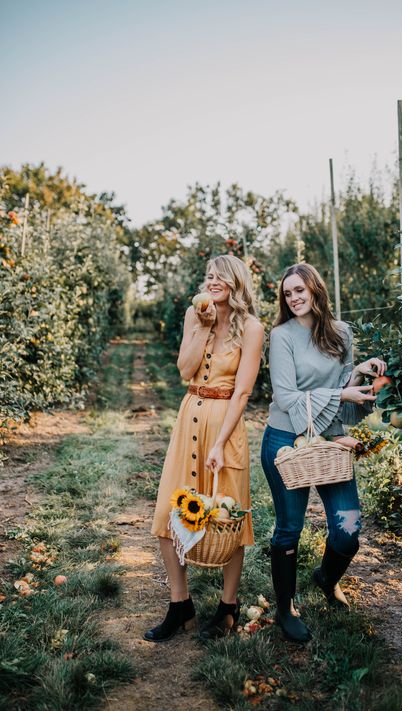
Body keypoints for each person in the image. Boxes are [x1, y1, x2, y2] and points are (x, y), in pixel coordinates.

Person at [260, 263, 386, 643]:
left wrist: (360, 375)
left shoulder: (342, 333)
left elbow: (344, 398)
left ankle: (326, 578)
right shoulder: (281, 336)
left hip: (331, 442)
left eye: (300, 290)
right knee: (289, 528)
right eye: (288, 293)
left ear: (316, 289)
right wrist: (340, 392)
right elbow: (285, 396)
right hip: (286, 440)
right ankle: (286, 609)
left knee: (348, 529)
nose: (295, 298)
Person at [145, 254, 264, 642]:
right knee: (167, 513)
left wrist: (220, 441)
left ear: (235, 282)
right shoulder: (194, 315)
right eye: (208, 276)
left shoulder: (251, 328)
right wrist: (202, 326)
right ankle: (181, 605)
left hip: (225, 423)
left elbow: (243, 391)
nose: (212, 281)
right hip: (189, 415)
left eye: (220, 276)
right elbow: (184, 369)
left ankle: (227, 609)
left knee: (228, 520)